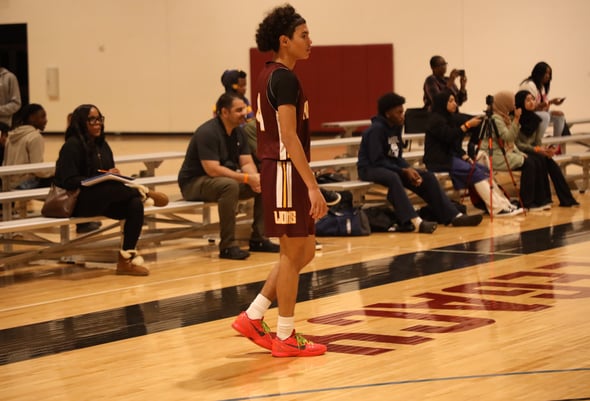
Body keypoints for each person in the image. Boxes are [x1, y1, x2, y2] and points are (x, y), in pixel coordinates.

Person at [231, 4, 328, 357]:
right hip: (285, 170)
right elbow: (288, 136)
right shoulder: (283, 77)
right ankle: (285, 335)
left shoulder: (270, 74)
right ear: (284, 41)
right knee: (291, 254)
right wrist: (313, 185)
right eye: (304, 35)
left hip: (284, 169)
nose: (310, 41)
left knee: (304, 251)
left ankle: (254, 315)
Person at [53, 104, 169, 276]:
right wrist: (98, 178)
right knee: (109, 188)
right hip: (77, 202)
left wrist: (111, 174)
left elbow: (106, 172)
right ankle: (143, 192)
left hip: (102, 199)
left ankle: (125, 261)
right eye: (92, 120)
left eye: (99, 119)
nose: (98, 123)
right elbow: (68, 181)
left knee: (134, 205)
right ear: (81, 122)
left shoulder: (103, 145)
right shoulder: (71, 146)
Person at [357, 92, 482, 232]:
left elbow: (397, 157)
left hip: (390, 166)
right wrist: (403, 170)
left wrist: (408, 169)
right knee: (393, 177)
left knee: (427, 177)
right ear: (387, 114)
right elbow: (377, 160)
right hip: (369, 168)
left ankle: (454, 216)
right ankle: (415, 222)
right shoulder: (376, 130)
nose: (402, 116)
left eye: (403, 112)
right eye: (399, 112)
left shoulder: (396, 127)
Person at [178, 92, 279, 260]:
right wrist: (246, 179)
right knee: (229, 186)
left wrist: (255, 179)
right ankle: (227, 246)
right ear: (224, 112)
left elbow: (246, 162)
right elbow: (212, 170)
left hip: (220, 180)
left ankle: (259, 239)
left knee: (264, 182)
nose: (244, 113)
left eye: (244, 109)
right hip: (194, 184)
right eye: (239, 110)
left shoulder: (239, 132)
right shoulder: (207, 132)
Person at [424, 90, 523, 217]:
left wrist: (465, 156)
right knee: (475, 172)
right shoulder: (435, 120)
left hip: (451, 158)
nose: (455, 104)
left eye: (455, 100)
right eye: (451, 101)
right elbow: (448, 136)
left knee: (484, 170)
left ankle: (504, 203)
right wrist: (467, 125)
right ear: (442, 103)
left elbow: (454, 145)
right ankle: (496, 208)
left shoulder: (450, 118)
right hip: (439, 160)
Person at [478, 91, 552, 211]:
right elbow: (509, 137)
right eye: (511, 102)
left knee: (535, 160)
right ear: (504, 103)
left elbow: (511, 143)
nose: (514, 105)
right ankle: (527, 203)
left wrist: (519, 153)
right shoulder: (495, 119)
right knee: (529, 163)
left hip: (503, 153)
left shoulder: (503, 117)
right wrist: (517, 119)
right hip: (495, 156)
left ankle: (540, 200)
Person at [514, 90, 579, 207]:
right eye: (527, 100)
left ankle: (566, 199)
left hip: (533, 151)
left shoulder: (536, 119)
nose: (532, 102)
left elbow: (537, 142)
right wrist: (537, 150)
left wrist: (545, 151)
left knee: (551, 162)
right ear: (520, 102)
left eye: (533, 99)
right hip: (519, 151)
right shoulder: (515, 118)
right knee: (539, 159)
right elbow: (517, 144)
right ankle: (540, 200)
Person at [3, 103, 53, 189]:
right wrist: (54, 171)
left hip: (8, 183)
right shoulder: (35, 137)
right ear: (32, 118)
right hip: (23, 184)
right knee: (60, 180)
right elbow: (38, 170)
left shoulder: (11, 136)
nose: (46, 120)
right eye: (43, 117)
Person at [519, 61, 568, 139]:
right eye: (546, 73)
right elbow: (529, 107)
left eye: (549, 74)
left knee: (559, 115)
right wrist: (551, 102)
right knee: (545, 116)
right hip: (526, 114)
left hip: (538, 112)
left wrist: (550, 104)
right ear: (538, 73)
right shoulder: (529, 85)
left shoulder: (542, 87)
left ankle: (555, 144)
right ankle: (538, 141)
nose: (548, 76)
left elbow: (544, 106)